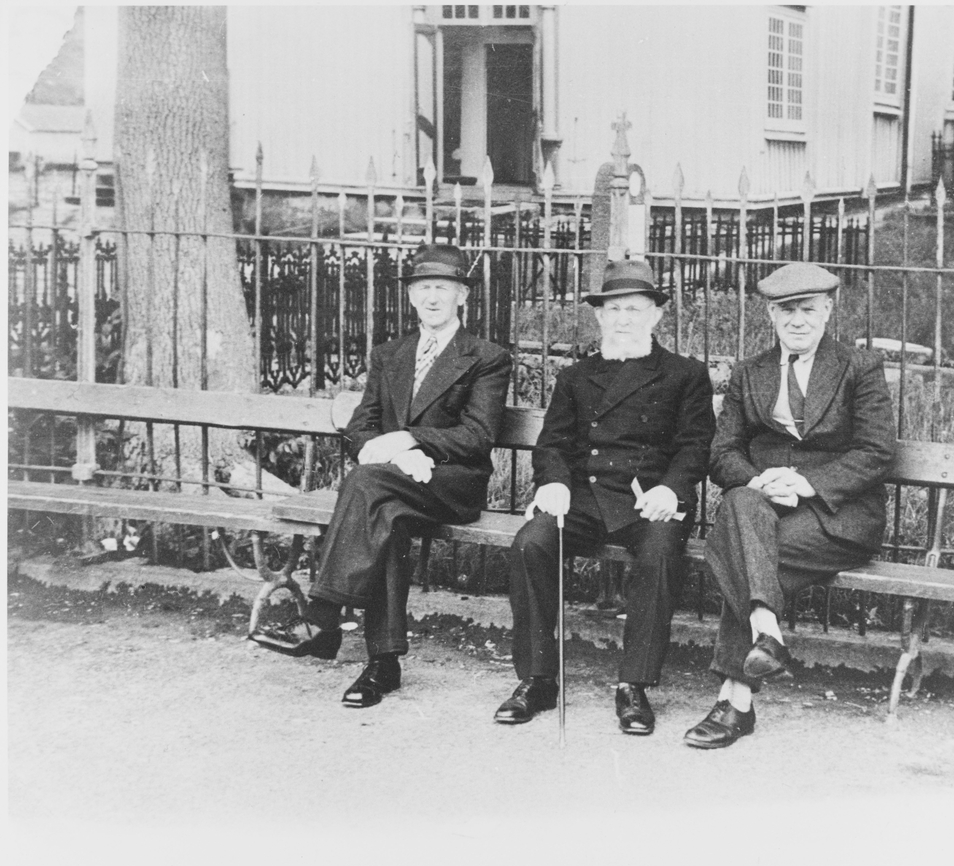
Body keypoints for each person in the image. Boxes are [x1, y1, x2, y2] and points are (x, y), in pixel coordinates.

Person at [250, 243, 512, 708]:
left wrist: (410, 441)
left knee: (366, 484)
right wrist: (383, 449)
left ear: (462, 297)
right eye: (423, 287)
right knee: (386, 515)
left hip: (452, 484)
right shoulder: (389, 354)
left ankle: (322, 617)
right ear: (411, 296)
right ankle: (382, 666)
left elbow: (478, 435)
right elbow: (362, 424)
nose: (432, 297)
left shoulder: (486, 356)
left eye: (443, 288)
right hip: (393, 485)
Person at [496, 259, 715, 735]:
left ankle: (633, 685)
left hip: (648, 498)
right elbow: (552, 443)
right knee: (530, 543)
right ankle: (537, 678)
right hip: (582, 496)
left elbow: (696, 445)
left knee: (659, 553)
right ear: (599, 317)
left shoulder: (684, 373)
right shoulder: (576, 377)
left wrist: (672, 489)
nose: (622, 319)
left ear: (655, 315)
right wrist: (552, 481)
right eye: (613, 310)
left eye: (634, 309)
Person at [683, 262, 897, 749]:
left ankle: (739, 688)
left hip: (836, 515)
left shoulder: (857, 368)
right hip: (764, 503)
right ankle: (759, 646)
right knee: (740, 500)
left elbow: (876, 451)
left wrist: (803, 483)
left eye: (807, 309)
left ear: (827, 310)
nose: (797, 321)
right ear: (771, 315)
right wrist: (759, 479)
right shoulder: (749, 373)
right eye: (786, 311)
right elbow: (722, 453)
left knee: (744, 552)